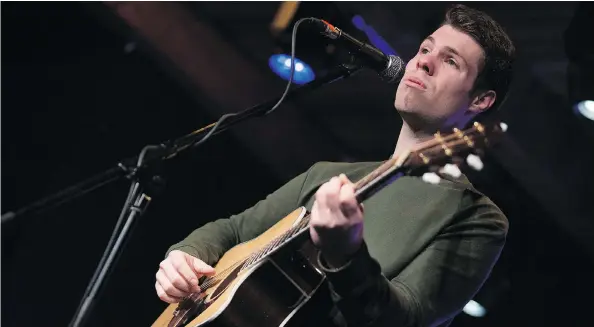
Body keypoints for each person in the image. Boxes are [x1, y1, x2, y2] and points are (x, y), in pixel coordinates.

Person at [155, 4, 515, 327]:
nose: (423, 61)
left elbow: (407, 319)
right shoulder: (327, 175)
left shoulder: (475, 216)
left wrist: (345, 254)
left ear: (481, 100)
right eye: (425, 49)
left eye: (450, 61)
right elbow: (231, 231)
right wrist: (184, 257)